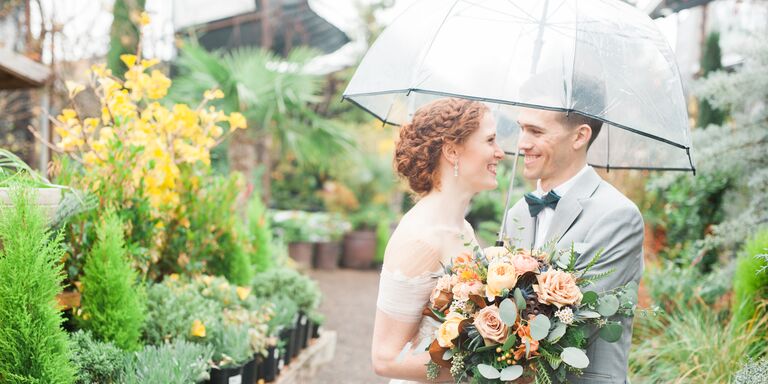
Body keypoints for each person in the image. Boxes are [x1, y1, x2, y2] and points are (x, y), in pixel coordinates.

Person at [503, 77, 644, 383]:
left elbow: (573, 323)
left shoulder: (618, 216)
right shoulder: (516, 213)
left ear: (580, 136)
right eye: (521, 128)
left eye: (536, 131)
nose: (522, 143)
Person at [371, 98, 505, 383]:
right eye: (490, 140)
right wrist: (483, 363)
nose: (500, 153)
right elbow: (384, 359)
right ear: (452, 151)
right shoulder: (421, 241)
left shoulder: (464, 230)